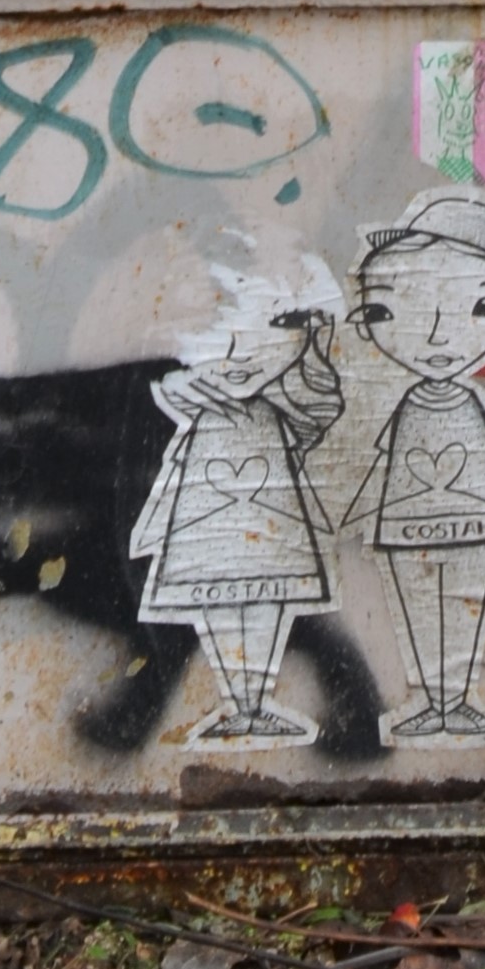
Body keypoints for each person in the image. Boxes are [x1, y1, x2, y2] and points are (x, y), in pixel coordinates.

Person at [342, 194, 485, 744]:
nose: (435, 336)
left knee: (469, 604)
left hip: (474, 515)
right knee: (418, 605)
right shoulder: (408, 407)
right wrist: (366, 509)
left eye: (478, 307)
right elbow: (385, 457)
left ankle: (456, 701)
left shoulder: (475, 405)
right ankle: (434, 701)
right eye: (392, 308)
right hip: (411, 514)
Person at [127, 305, 345, 747]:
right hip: (208, 520)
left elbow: (319, 417)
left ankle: (253, 707)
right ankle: (243, 707)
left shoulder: (280, 408)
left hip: (269, 520)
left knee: (265, 601)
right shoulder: (192, 401)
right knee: (221, 604)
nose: (240, 354)